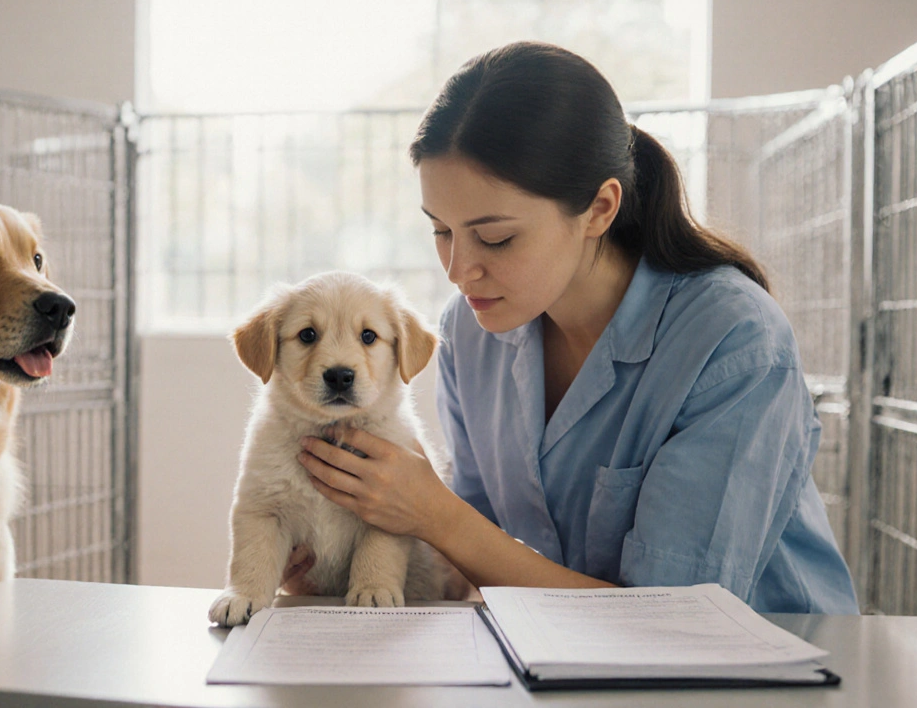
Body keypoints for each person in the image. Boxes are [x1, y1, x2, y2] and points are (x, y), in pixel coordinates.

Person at [296, 41, 858, 613]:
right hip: (567, 662)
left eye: (495, 238)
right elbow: (477, 564)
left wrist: (435, 514)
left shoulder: (734, 341)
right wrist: (325, 567)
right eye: (441, 230)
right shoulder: (469, 333)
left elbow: (679, 621)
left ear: (599, 209)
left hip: (758, 676)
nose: (459, 269)